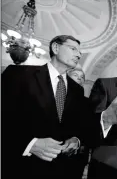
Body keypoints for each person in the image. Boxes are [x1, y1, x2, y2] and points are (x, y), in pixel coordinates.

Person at [2, 35, 100, 179]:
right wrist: (29, 144)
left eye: (79, 52)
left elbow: (79, 125)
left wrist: (76, 139)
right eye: (73, 49)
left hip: (61, 170)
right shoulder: (18, 75)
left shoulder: (78, 90)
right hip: (22, 167)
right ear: (55, 48)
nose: (79, 54)